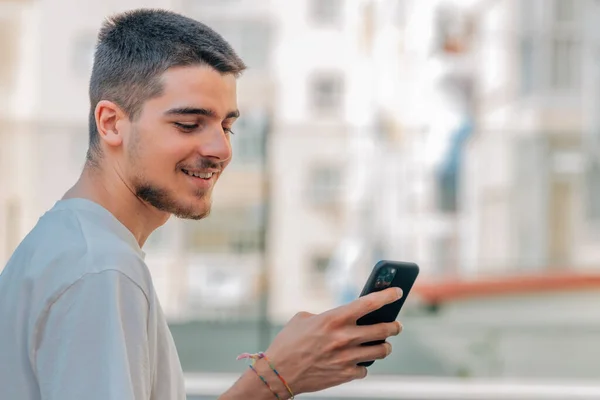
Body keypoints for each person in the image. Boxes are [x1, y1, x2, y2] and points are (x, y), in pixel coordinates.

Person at [0, 8, 403, 400]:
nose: (221, 149)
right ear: (110, 123)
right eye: (188, 124)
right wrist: (274, 379)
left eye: (227, 125)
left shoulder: (68, 245)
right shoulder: (100, 269)